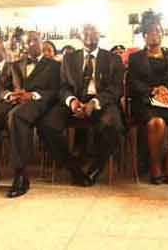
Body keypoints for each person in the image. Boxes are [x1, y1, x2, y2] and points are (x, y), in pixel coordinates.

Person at [0, 31, 88, 197]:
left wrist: (32, 95)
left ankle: (21, 176)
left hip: (39, 103)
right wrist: (9, 95)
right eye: (27, 42)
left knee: (16, 117)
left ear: (41, 42)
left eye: (34, 40)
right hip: (13, 101)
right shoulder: (14, 64)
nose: (31, 44)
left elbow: (56, 90)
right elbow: (2, 87)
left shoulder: (55, 65)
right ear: (23, 46)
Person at [39, 25, 125, 186]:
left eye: (93, 31)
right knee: (48, 124)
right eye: (85, 31)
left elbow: (116, 89)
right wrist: (71, 101)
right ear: (79, 35)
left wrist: (94, 102)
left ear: (100, 34)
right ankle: (73, 168)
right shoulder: (69, 58)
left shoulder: (113, 58)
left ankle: (96, 168)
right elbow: (63, 86)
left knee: (113, 124)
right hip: (74, 101)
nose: (89, 34)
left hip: (102, 102)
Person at [127, 12, 168, 185]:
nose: (155, 34)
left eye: (158, 31)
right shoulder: (136, 58)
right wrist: (153, 90)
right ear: (144, 36)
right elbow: (132, 83)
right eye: (151, 32)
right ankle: (155, 165)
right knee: (157, 123)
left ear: (163, 34)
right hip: (146, 102)